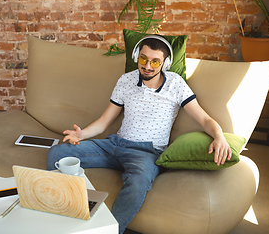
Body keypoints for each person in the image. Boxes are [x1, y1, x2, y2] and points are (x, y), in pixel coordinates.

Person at [47, 35, 232, 234]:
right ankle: (59, 212)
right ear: (136, 56)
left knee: (138, 183)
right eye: (143, 59)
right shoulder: (126, 80)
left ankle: (108, 231)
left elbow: (204, 119)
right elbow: (103, 122)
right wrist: (82, 134)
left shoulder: (175, 84)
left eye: (155, 62)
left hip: (146, 152)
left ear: (165, 63)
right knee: (57, 153)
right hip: (114, 145)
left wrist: (219, 136)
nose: (148, 66)